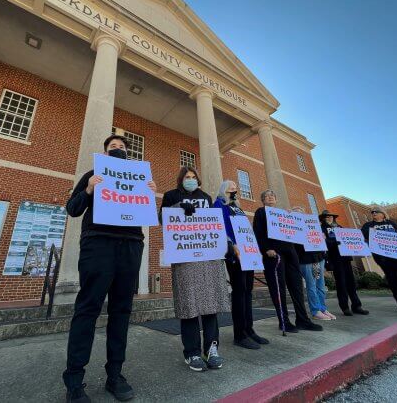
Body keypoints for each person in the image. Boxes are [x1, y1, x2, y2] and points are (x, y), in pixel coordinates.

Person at [63, 134, 157, 403]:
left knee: (122, 310)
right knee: (88, 308)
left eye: (122, 147)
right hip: (98, 245)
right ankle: (74, 379)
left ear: (128, 153)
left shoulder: (139, 179)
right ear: (105, 153)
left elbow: (148, 215)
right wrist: (89, 189)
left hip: (130, 246)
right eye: (112, 147)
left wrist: (149, 194)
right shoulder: (94, 174)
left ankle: (115, 375)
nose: (118, 149)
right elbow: (72, 209)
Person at [159, 166, 230, 372]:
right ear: (181, 179)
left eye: (193, 177)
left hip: (207, 257)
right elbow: (162, 219)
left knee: (210, 305)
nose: (190, 180)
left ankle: (211, 349)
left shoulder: (206, 197)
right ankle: (192, 352)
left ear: (198, 180)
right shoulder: (171, 195)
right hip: (184, 257)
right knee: (189, 305)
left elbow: (213, 225)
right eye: (187, 177)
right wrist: (179, 207)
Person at [252, 190, 323, 333]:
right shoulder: (261, 212)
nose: (270, 197)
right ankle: (284, 321)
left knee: (297, 287)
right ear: (263, 200)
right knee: (279, 289)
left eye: (272, 195)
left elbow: (297, 232)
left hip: (291, 253)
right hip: (274, 254)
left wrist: (295, 217)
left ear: (276, 199)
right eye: (266, 196)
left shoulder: (283, 213)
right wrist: (266, 249)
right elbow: (258, 232)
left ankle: (303, 320)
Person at [214, 180, 269, 349]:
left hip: (248, 252)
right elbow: (219, 225)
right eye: (230, 187)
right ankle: (239, 334)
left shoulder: (237, 207)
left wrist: (254, 247)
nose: (234, 189)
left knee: (248, 292)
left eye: (235, 188)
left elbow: (246, 229)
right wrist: (231, 243)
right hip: (235, 252)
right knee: (239, 292)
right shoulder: (218, 204)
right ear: (224, 190)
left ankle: (249, 329)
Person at [320, 210, 369, 316]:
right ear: (323, 218)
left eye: (331, 216)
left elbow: (349, 238)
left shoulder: (340, 227)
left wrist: (360, 241)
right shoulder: (321, 229)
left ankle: (357, 306)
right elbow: (324, 242)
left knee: (351, 283)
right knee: (341, 283)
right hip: (335, 258)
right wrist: (336, 242)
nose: (329, 218)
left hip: (346, 258)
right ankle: (345, 307)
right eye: (327, 217)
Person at [293, 206, 335, 321]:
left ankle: (322, 308)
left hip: (318, 258)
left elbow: (321, 241)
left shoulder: (312, 225)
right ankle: (315, 310)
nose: (299, 214)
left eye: (301, 212)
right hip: (305, 260)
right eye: (296, 213)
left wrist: (323, 237)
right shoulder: (293, 228)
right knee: (311, 286)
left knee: (320, 285)